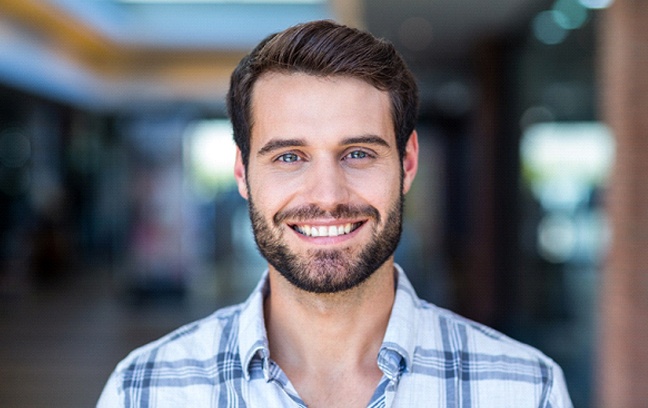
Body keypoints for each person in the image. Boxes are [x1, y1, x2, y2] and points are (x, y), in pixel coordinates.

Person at [97, 20, 572, 407]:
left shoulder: (525, 390)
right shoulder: (145, 390)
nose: (326, 196)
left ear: (407, 163)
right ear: (242, 173)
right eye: (289, 157)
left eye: (359, 154)